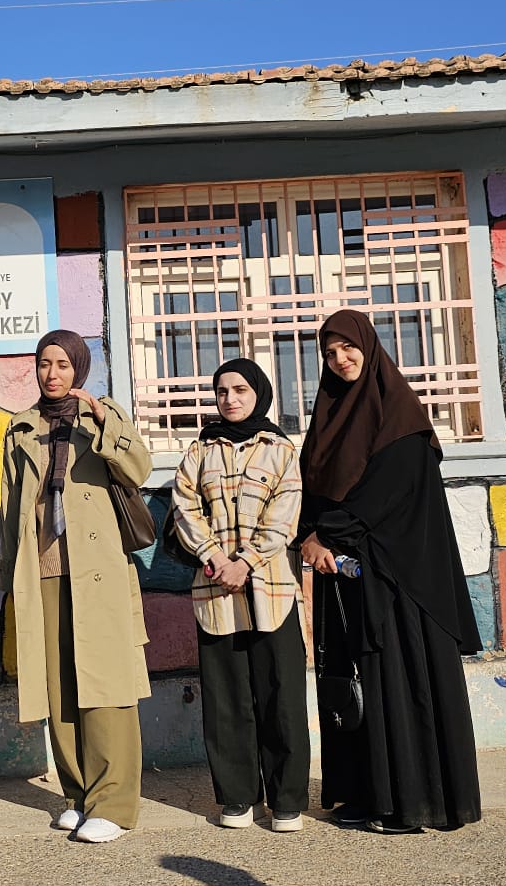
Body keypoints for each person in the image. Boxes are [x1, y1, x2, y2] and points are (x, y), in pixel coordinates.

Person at [296, 310, 482, 834]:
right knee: (353, 686)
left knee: (397, 683)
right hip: (347, 575)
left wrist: (324, 535)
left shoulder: (400, 417)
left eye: (347, 348)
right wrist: (313, 535)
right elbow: (314, 488)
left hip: (399, 581)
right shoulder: (330, 416)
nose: (340, 359)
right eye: (329, 354)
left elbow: (383, 495)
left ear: (369, 348)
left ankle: (412, 802)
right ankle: (365, 794)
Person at [0, 331, 152, 844]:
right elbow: (10, 507)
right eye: (44, 363)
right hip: (42, 567)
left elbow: (140, 467)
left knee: (106, 685)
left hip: (98, 570)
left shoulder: (101, 417)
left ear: (79, 369)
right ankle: (77, 793)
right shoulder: (21, 427)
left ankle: (114, 802)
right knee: (57, 683)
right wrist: (8, 580)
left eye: (63, 363)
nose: (52, 373)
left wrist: (106, 421)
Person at [169, 358, 309, 832]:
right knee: (227, 699)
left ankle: (287, 800)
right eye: (223, 391)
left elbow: (285, 515)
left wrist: (246, 561)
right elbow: (185, 507)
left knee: (281, 696)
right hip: (215, 590)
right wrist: (216, 560)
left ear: (260, 394)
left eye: (241, 390)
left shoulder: (281, 450)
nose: (230, 399)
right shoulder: (199, 452)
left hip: (271, 590)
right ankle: (237, 798)